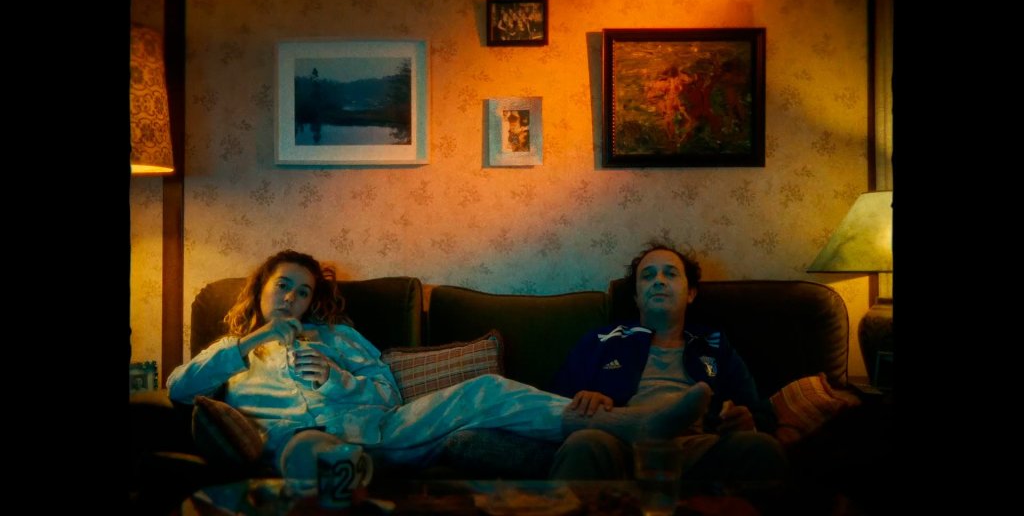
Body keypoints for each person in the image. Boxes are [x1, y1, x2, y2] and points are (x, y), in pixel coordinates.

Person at [167, 249, 711, 484]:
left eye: (303, 291)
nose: (291, 297)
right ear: (261, 287)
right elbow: (179, 389)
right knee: (311, 448)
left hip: (382, 429)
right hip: (292, 442)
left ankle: (628, 425)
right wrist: (255, 340)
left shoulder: (339, 338)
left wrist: (338, 379)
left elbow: (386, 393)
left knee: (487, 387)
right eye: (283, 285)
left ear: (314, 301)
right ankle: (347, 474)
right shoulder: (230, 353)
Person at [549, 240, 787, 488]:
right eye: (648, 276)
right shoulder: (601, 340)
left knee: (761, 448)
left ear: (691, 293)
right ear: (636, 297)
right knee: (584, 443)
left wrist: (748, 422)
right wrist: (585, 400)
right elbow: (554, 404)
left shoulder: (714, 344)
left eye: (670, 274)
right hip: (620, 447)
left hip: (698, 450)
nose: (659, 281)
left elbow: (760, 412)